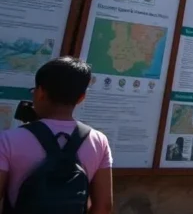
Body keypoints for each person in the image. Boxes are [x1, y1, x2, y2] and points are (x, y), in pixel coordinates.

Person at [0, 57, 113, 214]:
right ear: (81, 98)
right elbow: (104, 206)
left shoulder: (8, 140)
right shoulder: (98, 141)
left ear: (40, 93)